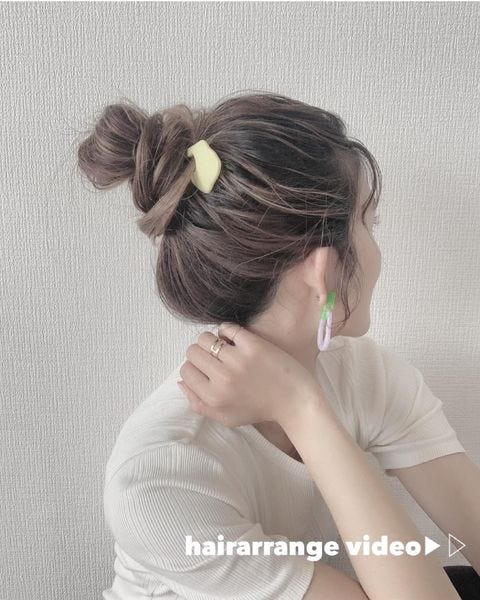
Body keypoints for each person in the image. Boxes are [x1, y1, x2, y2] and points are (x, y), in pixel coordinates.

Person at [77, 91, 479, 599]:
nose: (377, 250)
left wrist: (301, 403)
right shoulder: (160, 477)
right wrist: (303, 411)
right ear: (323, 271)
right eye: (369, 223)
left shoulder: (368, 376)